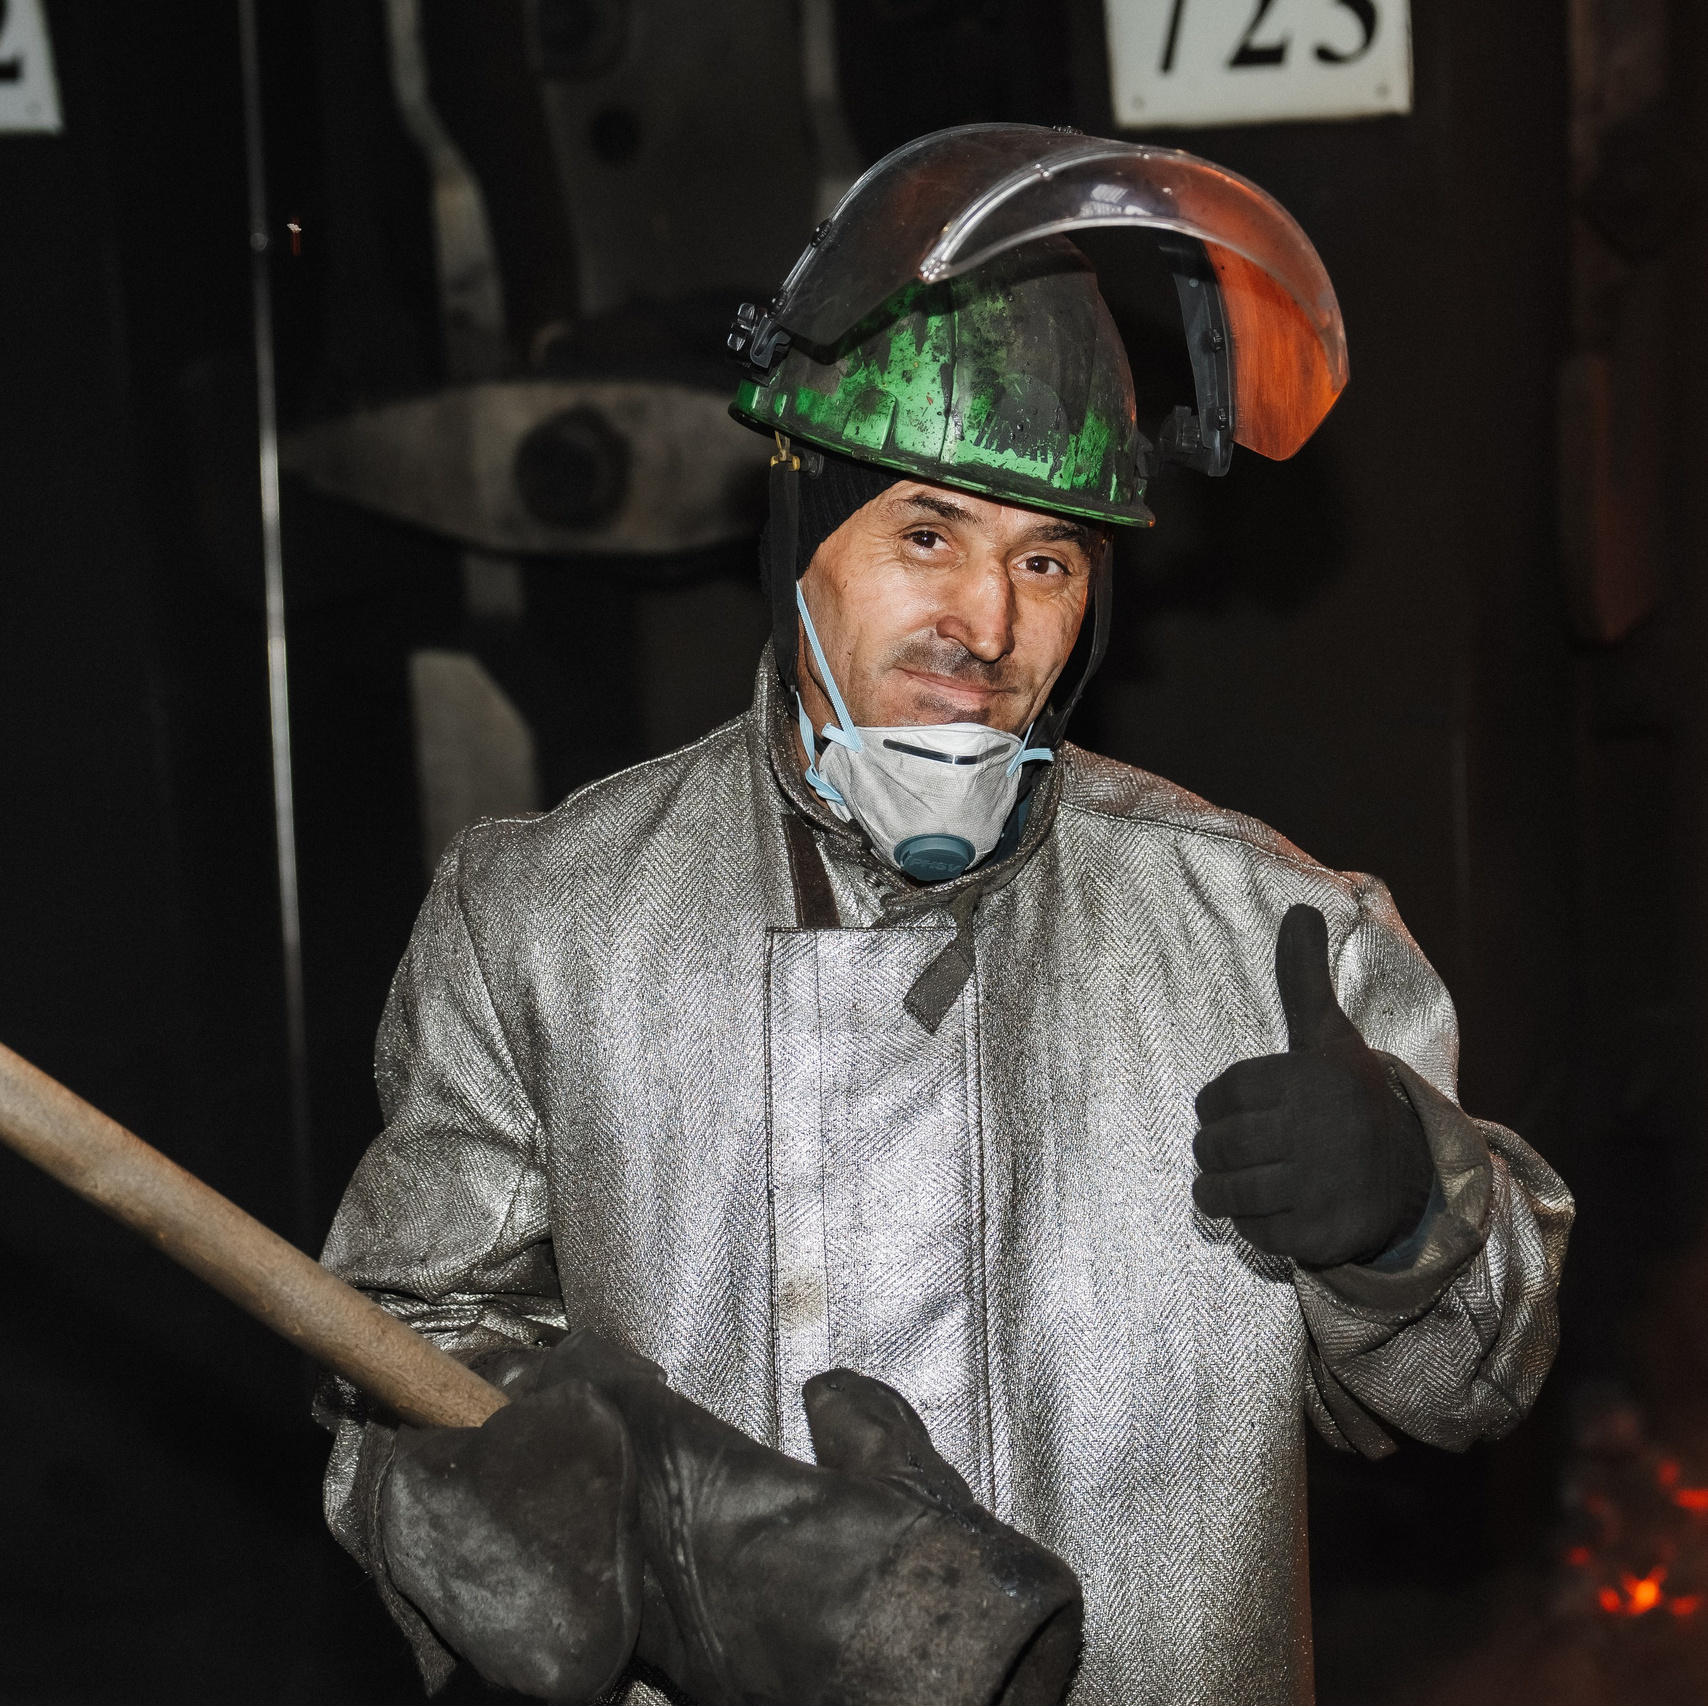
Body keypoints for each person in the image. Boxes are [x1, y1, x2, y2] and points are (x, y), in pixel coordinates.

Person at [319, 125, 1573, 1706]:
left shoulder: (1272, 934)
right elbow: (402, 1351)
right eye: (927, 532)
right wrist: (560, 1521)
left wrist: (1409, 1210)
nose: (984, 622)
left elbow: (1478, 1374)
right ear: (799, 538)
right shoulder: (544, 921)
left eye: (1044, 557)